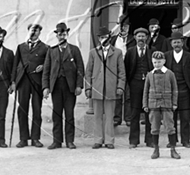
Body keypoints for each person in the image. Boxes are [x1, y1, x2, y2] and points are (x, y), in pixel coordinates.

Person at [42, 22, 85, 150]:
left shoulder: (74, 50)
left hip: (70, 87)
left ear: (67, 34)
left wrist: (79, 85)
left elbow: (80, 69)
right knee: (57, 114)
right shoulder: (52, 50)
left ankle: (70, 141)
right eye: (59, 34)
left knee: (69, 114)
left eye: (64, 34)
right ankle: (56, 141)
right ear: (57, 35)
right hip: (56, 86)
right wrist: (46, 87)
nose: (62, 36)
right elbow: (46, 70)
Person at [85, 26, 126, 149]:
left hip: (111, 88)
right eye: (101, 37)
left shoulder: (117, 52)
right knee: (97, 116)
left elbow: (122, 72)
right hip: (97, 88)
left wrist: (120, 86)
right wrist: (88, 88)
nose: (104, 39)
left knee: (109, 116)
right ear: (98, 39)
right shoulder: (93, 53)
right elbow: (88, 71)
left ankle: (109, 140)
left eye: (106, 37)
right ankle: (98, 139)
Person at [11, 24, 48, 148]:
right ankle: (23, 138)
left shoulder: (45, 48)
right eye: (32, 30)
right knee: (22, 110)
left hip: (37, 82)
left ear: (39, 32)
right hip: (23, 82)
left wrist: (43, 67)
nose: (34, 32)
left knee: (37, 110)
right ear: (28, 31)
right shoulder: (21, 47)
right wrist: (13, 82)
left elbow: (49, 65)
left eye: (36, 30)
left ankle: (35, 138)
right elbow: (15, 65)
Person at [143, 51, 180, 159]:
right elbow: (145, 91)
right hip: (153, 105)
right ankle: (156, 150)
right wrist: (145, 104)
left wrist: (174, 103)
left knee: (170, 127)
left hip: (167, 104)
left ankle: (173, 150)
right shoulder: (150, 75)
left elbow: (175, 89)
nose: (157, 64)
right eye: (155, 62)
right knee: (154, 128)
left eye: (159, 62)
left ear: (164, 61)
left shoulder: (170, 74)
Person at [125, 28, 156, 148]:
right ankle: (133, 140)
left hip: (150, 85)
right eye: (139, 36)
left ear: (147, 38)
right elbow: (127, 69)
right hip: (135, 84)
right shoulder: (130, 52)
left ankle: (150, 140)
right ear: (135, 38)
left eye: (143, 36)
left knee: (150, 112)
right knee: (134, 113)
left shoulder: (153, 51)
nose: (141, 38)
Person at [164, 32, 190, 148]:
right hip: (170, 91)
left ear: (182, 43)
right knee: (171, 118)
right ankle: (172, 141)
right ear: (171, 43)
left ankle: (185, 140)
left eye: (178, 42)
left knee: (185, 117)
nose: (176, 44)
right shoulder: (166, 56)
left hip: (184, 90)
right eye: (174, 42)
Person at [111, 14, 135, 127]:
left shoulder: (133, 39)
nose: (123, 28)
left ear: (129, 27)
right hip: (116, 71)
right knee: (117, 95)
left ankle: (128, 118)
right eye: (121, 25)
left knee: (129, 95)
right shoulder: (113, 40)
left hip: (130, 70)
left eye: (125, 26)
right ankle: (117, 118)